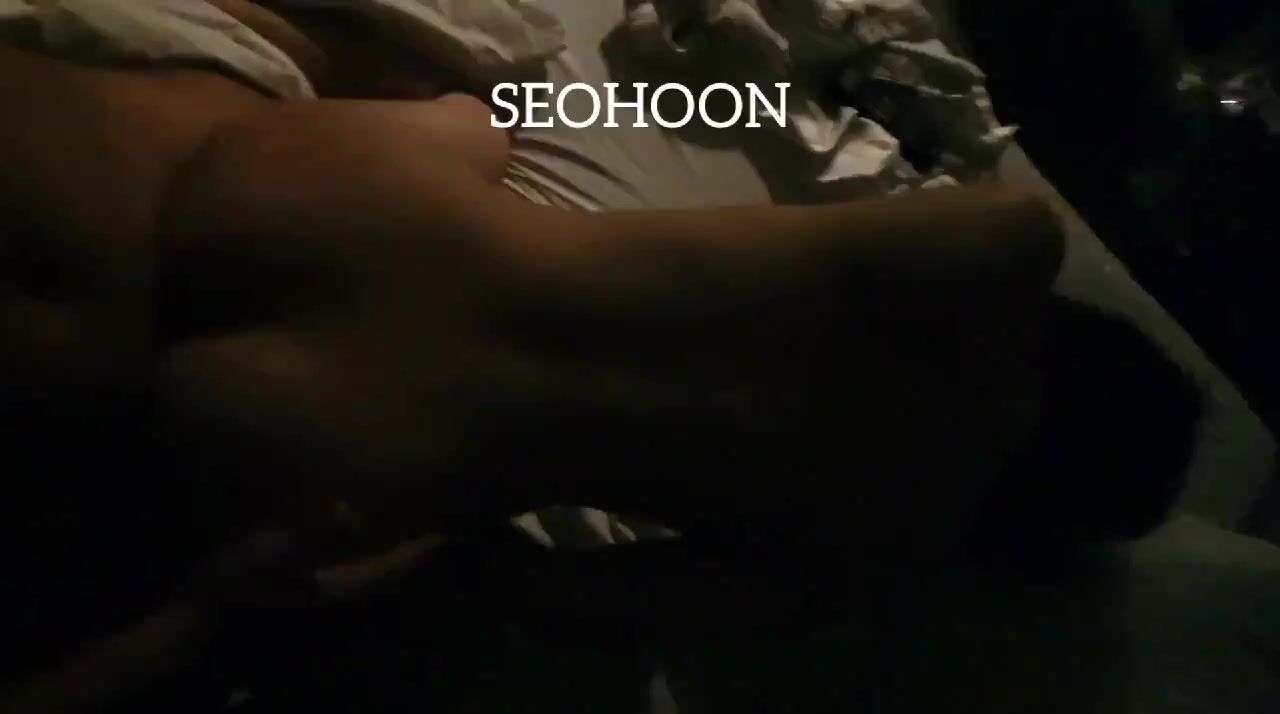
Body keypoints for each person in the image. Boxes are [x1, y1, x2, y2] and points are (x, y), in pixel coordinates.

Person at [0, 1, 1063, 708]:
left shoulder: (999, 243)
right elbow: (541, 595)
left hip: (345, 205)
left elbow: (995, 216)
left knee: (463, 106)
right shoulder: (873, 560)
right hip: (349, 434)